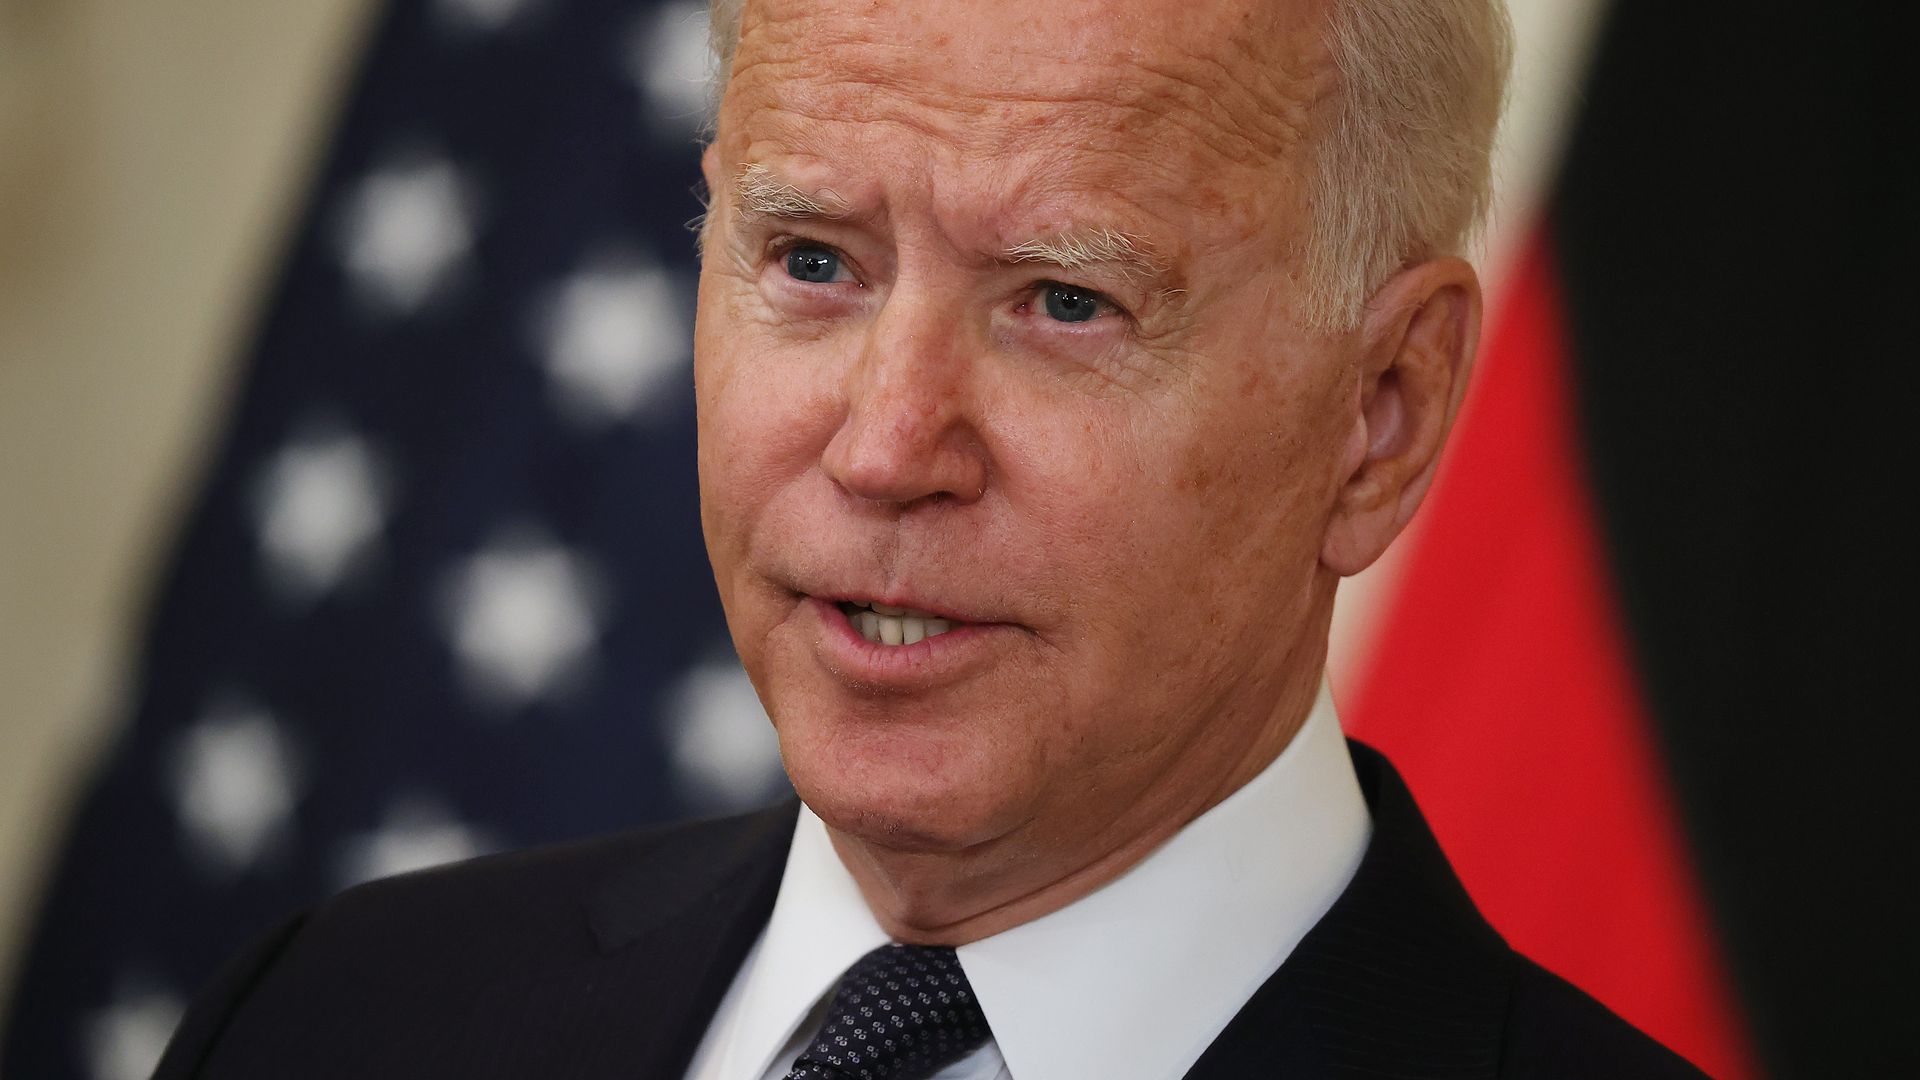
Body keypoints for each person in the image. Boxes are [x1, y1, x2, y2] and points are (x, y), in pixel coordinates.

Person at [154, 0, 1707, 1076]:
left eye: (1065, 302)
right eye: (814, 259)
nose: (888, 447)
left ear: (1382, 407)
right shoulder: (332, 1021)